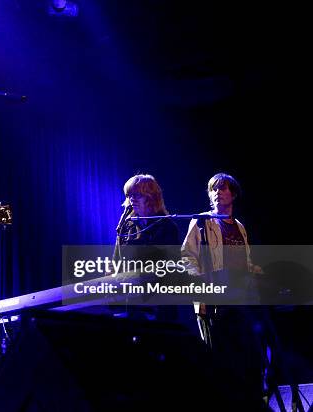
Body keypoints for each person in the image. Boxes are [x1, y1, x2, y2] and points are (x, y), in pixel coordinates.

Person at [181, 173, 272, 409]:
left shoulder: (240, 227)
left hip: (241, 300)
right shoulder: (202, 222)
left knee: (249, 357)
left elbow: (244, 259)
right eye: (213, 189)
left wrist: (255, 270)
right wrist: (199, 282)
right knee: (220, 359)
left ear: (233, 194)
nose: (217, 193)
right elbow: (187, 257)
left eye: (222, 188)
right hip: (214, 302)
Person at [113, 174, 180, 320]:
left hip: (158, 302)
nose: (132, 199)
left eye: (137, 195)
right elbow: (117, 260)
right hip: (130, 300)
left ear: (151, 197)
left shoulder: (166, 226)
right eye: (129, 195)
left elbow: (170, 268)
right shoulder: (127, 226)